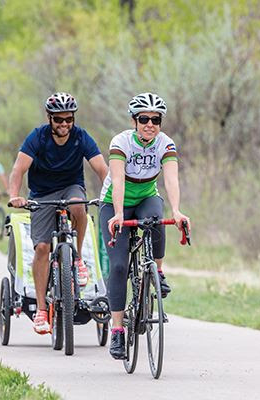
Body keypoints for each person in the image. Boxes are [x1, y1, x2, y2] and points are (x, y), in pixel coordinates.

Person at [98, 92, 191, 360]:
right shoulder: (121, 142)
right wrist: (117, 214)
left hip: (146, 197)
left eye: (156, 119)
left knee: (157, 217)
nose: (150, 124)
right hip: (115, 203)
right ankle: (117, 330)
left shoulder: (165, 143)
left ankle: (158, 272)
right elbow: (117, 180)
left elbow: (171, 180)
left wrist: (176, 210)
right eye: (144, 119)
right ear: (134, 121)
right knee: (118, 265)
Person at [8, 92, 108, 334]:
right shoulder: (38, 137)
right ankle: (42, 310)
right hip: (42, 194)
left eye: (68, 119)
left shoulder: (81, 137)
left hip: (71, 187)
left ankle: (76, 259)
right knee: (42, 248)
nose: (64, 124)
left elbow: (102, 169)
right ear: (49, 118)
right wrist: (14, 196)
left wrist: (110, 196)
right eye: (59, 119)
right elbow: (18, 170)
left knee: (78, 205)